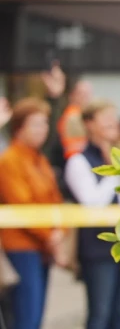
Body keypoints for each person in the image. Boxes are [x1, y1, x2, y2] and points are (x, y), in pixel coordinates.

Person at [65, 100, 120, 329]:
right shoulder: (79, 161)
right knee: (100, 314)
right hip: (99, 251)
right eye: (104, 116)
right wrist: (114, 173)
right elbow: (92, 202)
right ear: (89, 124)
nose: (111, 122)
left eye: (113, 116)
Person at [0, 99, 68, 329]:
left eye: (45, 124)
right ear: (19, 127)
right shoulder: (9, 160)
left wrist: (59, 232)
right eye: (36, 124)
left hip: (42, 247)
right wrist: (51, 237)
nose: (43, 130)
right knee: (25, 318)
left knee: (35, 317)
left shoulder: (40, 160)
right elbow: (22, 205)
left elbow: (55, 200)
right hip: (21, 247)